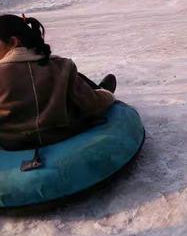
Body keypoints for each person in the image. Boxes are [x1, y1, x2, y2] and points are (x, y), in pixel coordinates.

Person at [0, 14, 116, 151]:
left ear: (13, 42)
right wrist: (107, 96)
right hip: (61, 134)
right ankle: (100, 89)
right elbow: (90, 103)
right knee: (77, 80)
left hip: (12, 142)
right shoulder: (62, 66)